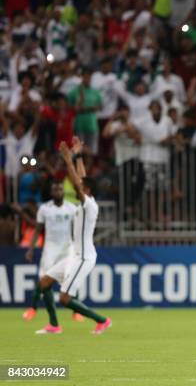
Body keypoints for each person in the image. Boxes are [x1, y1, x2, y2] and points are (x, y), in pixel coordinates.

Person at [35, 137, 112, 334]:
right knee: (44, 282)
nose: (78, 182)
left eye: (81, 185)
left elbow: (78, 183)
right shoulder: (86, 202)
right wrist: (77, 155)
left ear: (87, 190)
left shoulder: (89, 204)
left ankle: (102, 320)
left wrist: (68, 160)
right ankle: (54, 325)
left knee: (64, 298)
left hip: (84, 258)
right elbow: (82, 178)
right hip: (74, 256)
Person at [21, 181, 80, 323]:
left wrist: (79, 247)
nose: (58, 191)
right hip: (50, 248)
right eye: (55, 189)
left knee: (71, 279)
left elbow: (77, 230)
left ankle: (76, 312)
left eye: (60, 189)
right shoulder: (44, 209)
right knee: (43, 279)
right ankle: (33, 308)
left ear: (63, 192)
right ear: (51, 192)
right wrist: (30, 249)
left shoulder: (72, 208)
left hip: (67, 248)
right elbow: (38, 230)